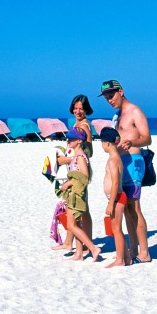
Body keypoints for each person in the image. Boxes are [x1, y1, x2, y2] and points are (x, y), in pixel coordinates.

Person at [98, 79, 151, 263]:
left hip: (134, 162)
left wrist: (132, 142)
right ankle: (133, 248)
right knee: (126, 207)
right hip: (123, 161)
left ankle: (144, 252)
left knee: (134, 207)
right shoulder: (118, 115)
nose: (109, 100)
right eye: (106, 98)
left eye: (111, 95)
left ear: (120, 91)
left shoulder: (135, 111)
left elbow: (147, 138)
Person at [48, 127, 101, 263]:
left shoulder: (80, 157)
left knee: (71, 225)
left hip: (77, 195)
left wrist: (69, 183)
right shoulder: (77, 156)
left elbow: (84, 176)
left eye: (71, 138)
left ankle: (93, 248)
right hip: (74, 194)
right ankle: (79, 253)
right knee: (76, 223)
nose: (68, 140)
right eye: (68, 138)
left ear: (79, 140)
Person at [98, 126, 130, 268]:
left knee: (116, 229)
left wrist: (111, 203)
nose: (102, 145)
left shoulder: (112, 161)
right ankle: (125, 257)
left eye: (102, 142)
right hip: (117, 197)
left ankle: (120, 260)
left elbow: (116, 181)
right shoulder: (116, 157)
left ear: (108, 143)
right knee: (117, 229)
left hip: (116, 198)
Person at [68, 94, 95, 250]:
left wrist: (69, 158)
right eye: (76, 108)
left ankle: (85, 244)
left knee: (79, 208)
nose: (78, 111)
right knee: (82, 208)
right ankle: (77, 243)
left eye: (81, 109)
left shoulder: (83, 125)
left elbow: (89, 151)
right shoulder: (78, 123)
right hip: (77, 166)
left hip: (80, 169)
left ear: (86, 110)